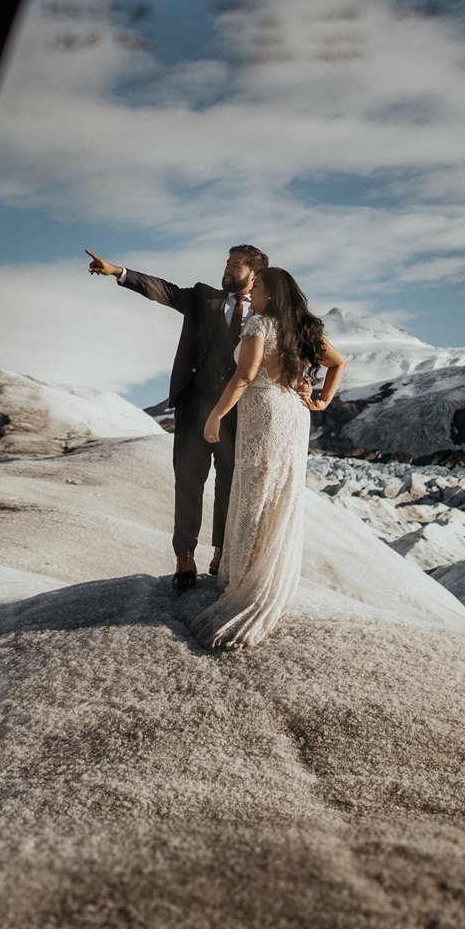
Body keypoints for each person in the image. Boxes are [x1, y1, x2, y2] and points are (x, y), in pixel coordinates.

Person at [85, 244, 270, 589]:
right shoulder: (203, 297)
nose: (227, 269)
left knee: (231, 484)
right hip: (195, 407)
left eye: (235, 265)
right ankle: (185, 557)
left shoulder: (266, 314)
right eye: (227, 263)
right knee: (188, 482)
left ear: (254, 274)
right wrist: (118, 272)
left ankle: (220, 553)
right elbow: (163, 291)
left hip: (238, 413)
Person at [189, 265, 345, 650]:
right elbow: (338, 363)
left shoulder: (259, 325)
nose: (251, 292)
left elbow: (243, 377)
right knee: (278, 492)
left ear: (271, 294)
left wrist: (216, 414)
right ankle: (265, 575)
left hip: (265, 413)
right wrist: (322, 400)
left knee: (255, 492)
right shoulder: (304, 327)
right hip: (294, 414)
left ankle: (244, 581)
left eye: (257, 287)